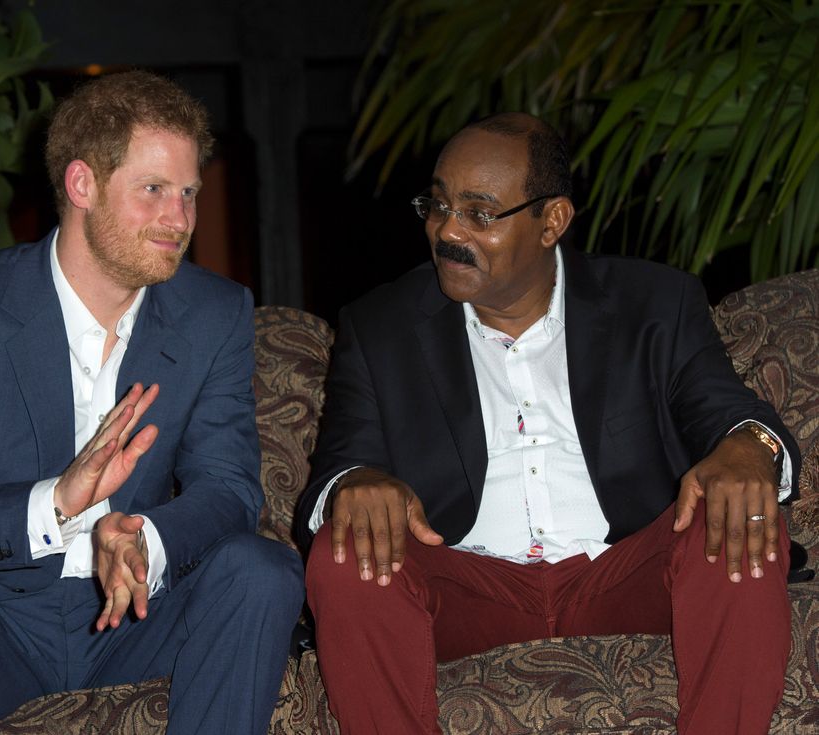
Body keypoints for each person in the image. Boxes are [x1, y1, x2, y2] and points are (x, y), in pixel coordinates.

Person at [295, 112, 799, 735]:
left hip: (623, 572)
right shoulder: (381, 325)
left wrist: (749, 449)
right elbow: (341, 461)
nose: (447, 230)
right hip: (467, 586)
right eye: (438, 204)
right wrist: (356, 482)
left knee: (739, 516)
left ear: (551, 221)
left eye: (480, 213)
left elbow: (728, 411)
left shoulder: (653, 303)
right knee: (346, 550)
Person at [0, 70, 304, 735]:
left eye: (190, 192)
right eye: (154, 191)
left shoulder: (214, 312)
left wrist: (148, 538)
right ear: (82, 184)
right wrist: (55, 503)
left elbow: (230, 489)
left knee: (262, 568)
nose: (181, 219)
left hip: (141, 618)